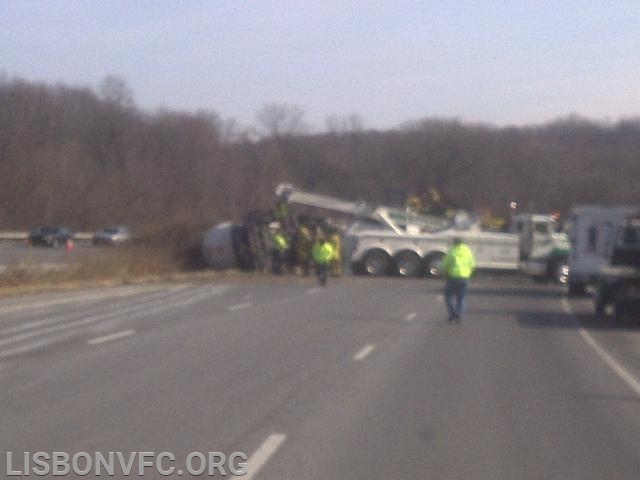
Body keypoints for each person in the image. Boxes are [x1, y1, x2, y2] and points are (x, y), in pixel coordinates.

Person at [440, 237, 476, 322]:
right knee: (461, 298)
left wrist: (444, 273)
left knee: (448, 296)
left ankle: (452, 313)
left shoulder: (452, 251)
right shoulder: (468, 251)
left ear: (454, 243)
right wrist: (469, 273)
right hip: (464, 277)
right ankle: (459, 314)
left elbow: (445, 264)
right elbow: (472, 264)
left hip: (453, 276)